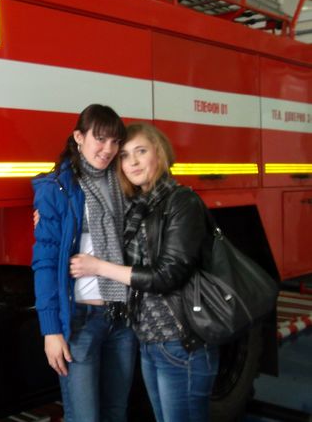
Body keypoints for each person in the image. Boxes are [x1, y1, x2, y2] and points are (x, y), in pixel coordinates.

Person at [70, 122, 219, 422]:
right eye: (125, 156)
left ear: (159, 153)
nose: (133, 162)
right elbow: (101, 224)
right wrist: (51, 218)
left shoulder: (181, 201)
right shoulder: (139, 206)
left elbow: (167, 275)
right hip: (150, 340)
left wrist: (99, 267)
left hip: (181, 340)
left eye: (141, 151)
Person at [32, 104, 136, 422]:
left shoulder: (125, 183)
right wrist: (51, 331)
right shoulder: (58, 188)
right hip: (81, 322)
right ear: (79, 137)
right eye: (100, 139)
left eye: (115, 141)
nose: (108, 149)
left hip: (122, 319)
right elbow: (45, 262)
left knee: (116, 413)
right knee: (84, 417)